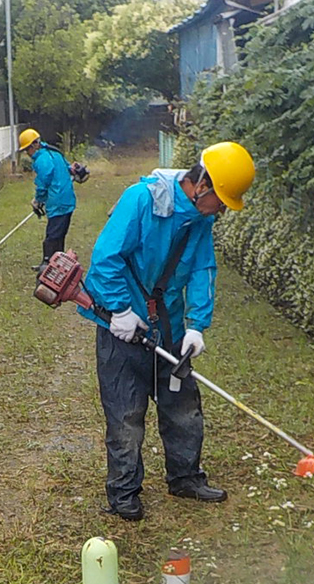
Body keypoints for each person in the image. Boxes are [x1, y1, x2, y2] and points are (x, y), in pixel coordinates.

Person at [78, 142, 255, 521]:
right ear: (202, 184)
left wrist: (197, 327)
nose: (223, 208)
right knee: (126, 412)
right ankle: (124, 492)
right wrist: (121, 310)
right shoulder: (141, 200)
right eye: (221, 199)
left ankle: (186, 477)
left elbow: (203, 269)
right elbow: (105, 259)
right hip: (121, 327)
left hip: (169, 327)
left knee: (182, 404)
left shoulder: (200, 220)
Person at [18, 128, 76, 271]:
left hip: (58, 201)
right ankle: (58, 263)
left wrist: (38, 200)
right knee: (59, 234)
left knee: (52, 235)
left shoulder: (42, 160)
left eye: (27, 150)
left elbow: (44, 181)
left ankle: (48, 264)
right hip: (67, 199)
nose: (27, 153)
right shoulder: (55, 153)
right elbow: (69, 168)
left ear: (34, 145)